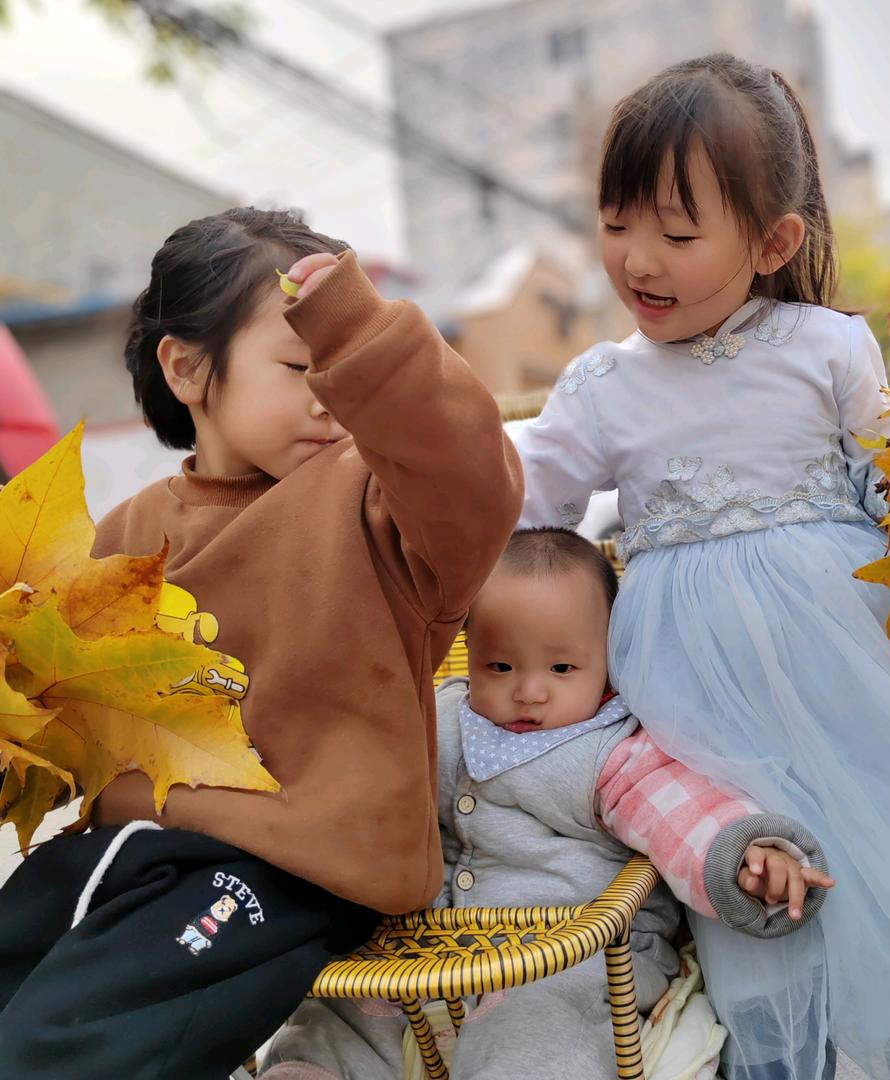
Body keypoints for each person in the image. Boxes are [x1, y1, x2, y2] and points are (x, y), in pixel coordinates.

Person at [513, 53, 890, 1080]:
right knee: (770, 885)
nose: (638, 258)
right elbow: (523, 501)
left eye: (677, 233)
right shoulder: (601, 387)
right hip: (699, 700)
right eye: (616, 221)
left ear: (773, 240)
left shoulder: (827, 344)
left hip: (854, 665)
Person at [0, 207, 523, 1078]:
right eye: (297, 364)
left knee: (62, 1047)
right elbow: (53, 714)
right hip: (124, 850)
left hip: (296, 865)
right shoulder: (123, 537)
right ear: (187, 367)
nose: (329, 395)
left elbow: (473, 480)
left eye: (340, 369)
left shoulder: (383, 508)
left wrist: (356, 327)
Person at [260, 527, 834, 1080]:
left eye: (562, 668)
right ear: (468, 648)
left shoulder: (616, 751)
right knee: (337, 1016)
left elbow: (682, 815)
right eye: (499, 666)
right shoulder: (437, 720)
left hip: (573, 954)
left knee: (540, 1030)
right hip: (428, 949)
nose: (529, 690)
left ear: (608, 659)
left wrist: (745, 859)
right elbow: (364, 777)